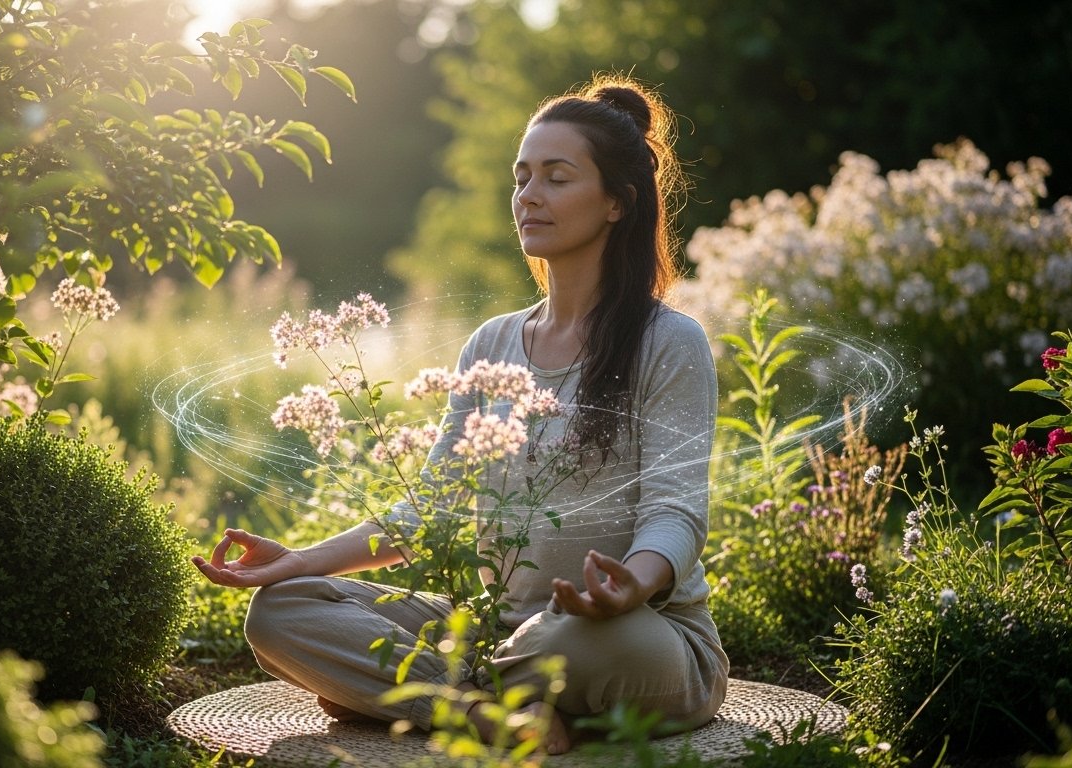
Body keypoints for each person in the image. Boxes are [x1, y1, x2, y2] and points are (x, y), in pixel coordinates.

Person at [192, 75, 727, 755]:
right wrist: (300, 560)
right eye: (522, 177)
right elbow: (432, 511)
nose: (529, 195)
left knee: (569, 638)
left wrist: (632, 586)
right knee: (280, 611)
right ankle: (483, 710)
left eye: (556, 177)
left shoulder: (669, 341)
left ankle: (408, 694)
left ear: (617, 202)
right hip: (491, 629)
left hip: (632, 633)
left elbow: (676, 511)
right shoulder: (492, 345)